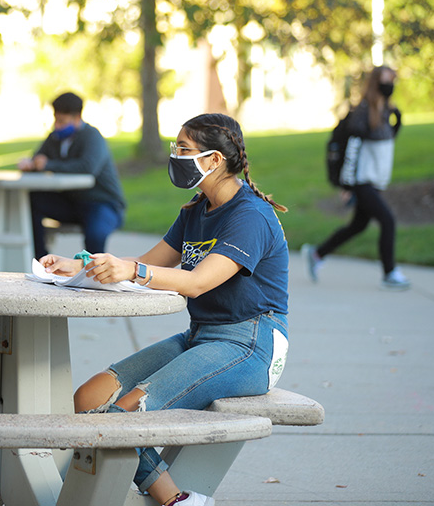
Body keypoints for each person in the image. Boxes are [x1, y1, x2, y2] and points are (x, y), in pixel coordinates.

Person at [38, 113, 290, 506]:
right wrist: (82, 264)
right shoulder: (195, 211)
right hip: (200, 337)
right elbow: (145, 261)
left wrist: (134, 271)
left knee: (123, 419)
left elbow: (196, 282)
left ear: (213, 160)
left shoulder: (251, 216)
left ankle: (177, 501)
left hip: (250, 344)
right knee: (87, 399)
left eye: (184, 150)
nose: (176, 156)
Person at [301, 65, 410, 290]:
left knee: (358, 225)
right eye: (386, 80)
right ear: (376, 83)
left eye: (393, 80)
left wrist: (397, 118)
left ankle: (317, 254)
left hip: (375, 179)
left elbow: (387, 141)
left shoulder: (386, 111)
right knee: (388, 221)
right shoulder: (363, 111)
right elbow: (352, 148)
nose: (390, 85)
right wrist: (347, 185)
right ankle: (389, 273)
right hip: (361, 180)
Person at [18, 91, 126, 258]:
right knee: (33, 199)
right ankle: (41, 259)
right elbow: (39, 158)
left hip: (103, 203)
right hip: (73, 203)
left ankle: (93, 273)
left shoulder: (92, 136)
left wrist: (49, 164)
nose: (58, 126)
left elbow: (88, 167)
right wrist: (31, 164)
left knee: (95, 235)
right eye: (56, 120)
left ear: (76, 118)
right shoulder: (54, 138)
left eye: (62, 121)